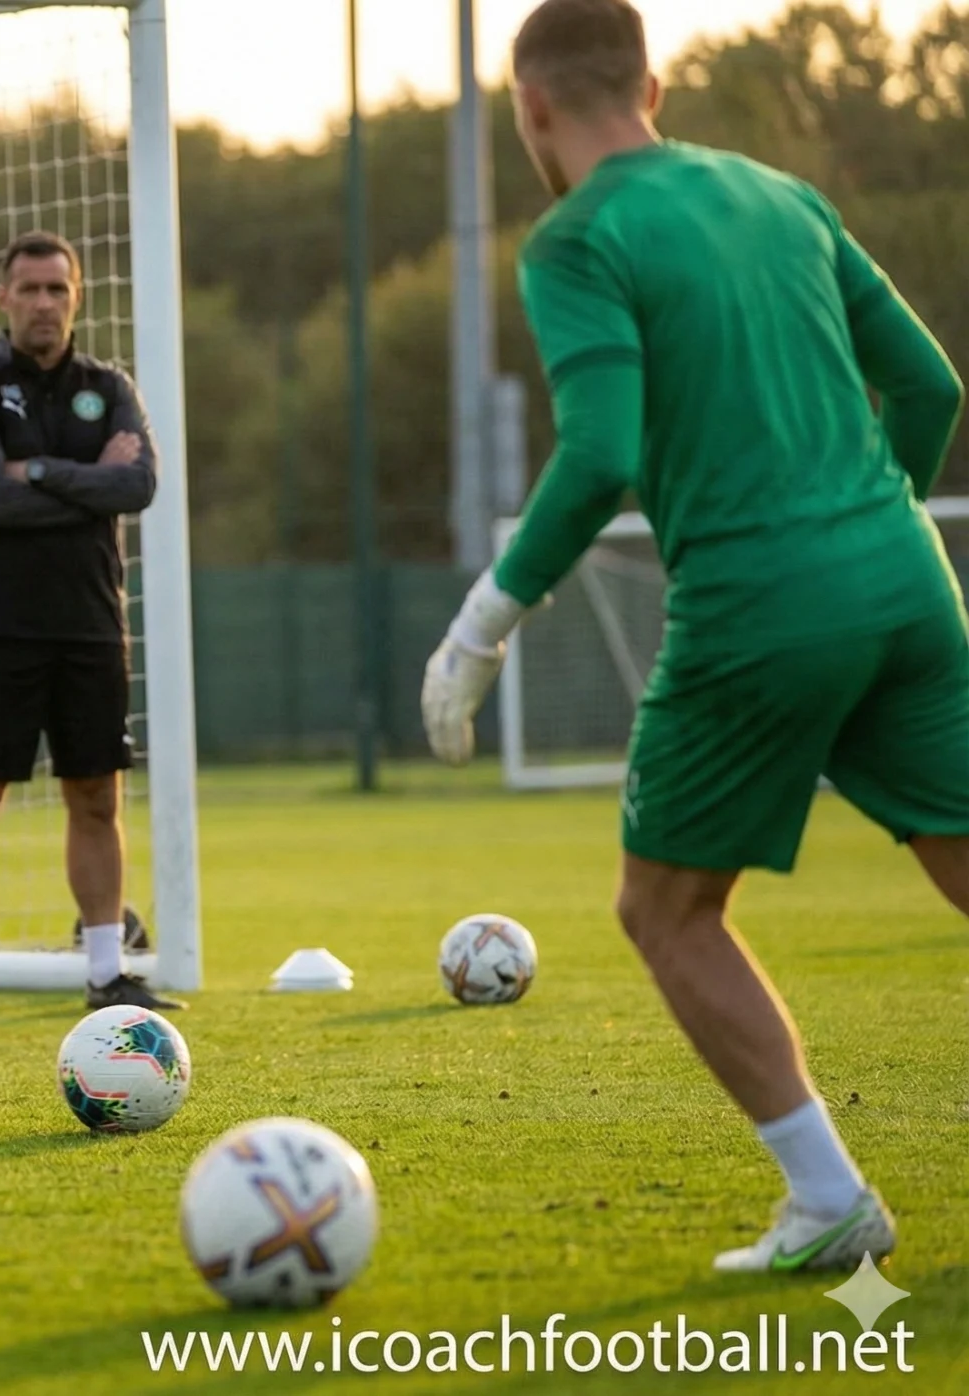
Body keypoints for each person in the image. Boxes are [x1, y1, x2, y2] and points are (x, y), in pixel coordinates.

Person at [420, 0, 964, 1272]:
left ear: (532, 109)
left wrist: (480, 624)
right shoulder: (780, 196)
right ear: (653, 87)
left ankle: (828, 1201)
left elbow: (601, 452)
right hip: (908, 579)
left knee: (666, 909)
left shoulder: (577, 239)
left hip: (758, 605)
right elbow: (932, 385)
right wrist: (868, 518)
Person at [0, 230, 172, 1020]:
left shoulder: (109, 384)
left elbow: (138, 486)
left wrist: (46, 472)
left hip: (91, 623)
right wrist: (87, 479)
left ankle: (107, 972)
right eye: (28, 289)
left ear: (77, 295)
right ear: (3, 297)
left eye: (57, 289)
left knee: (97, 796)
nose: (43, 303)